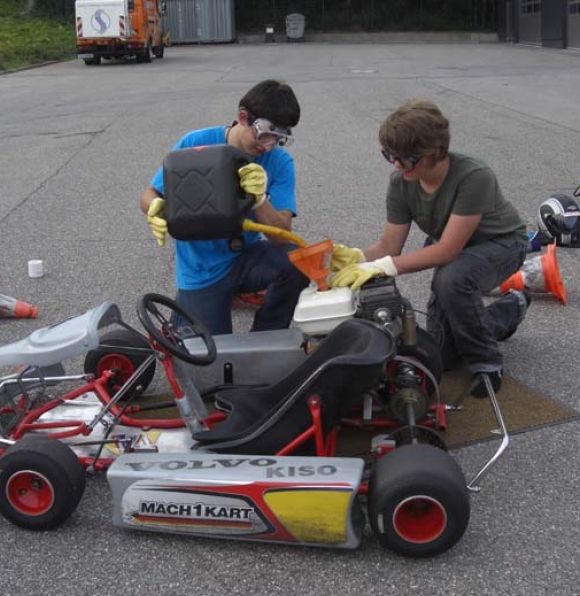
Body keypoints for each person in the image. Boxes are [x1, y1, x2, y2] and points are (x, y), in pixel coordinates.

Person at [330, 99, 529, 397]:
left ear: (435, 150)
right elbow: (389, 245)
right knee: (442, 354)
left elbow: (448, 250)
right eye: (390, 155)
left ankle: (486, 362)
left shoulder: (474, 176)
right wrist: (354, 258)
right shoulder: (401, 182)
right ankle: (511, 308)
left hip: (501, 244)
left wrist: (381, 267)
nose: (397, 165)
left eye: (407, 158)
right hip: (455, 249)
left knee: (452, 281)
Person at [140, 79, 309, 335]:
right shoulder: (196, 144)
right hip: (202, 271)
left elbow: (282, 236)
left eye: (279, 138)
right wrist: (155, 206)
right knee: (211, 354)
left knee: (297, 261)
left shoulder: (279, 161)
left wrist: (259, 199)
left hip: (246, 257)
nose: (268, 146)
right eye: (265, 133)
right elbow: (149, 194)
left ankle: (265, 336)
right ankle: (190, 313)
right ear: (243, 117)